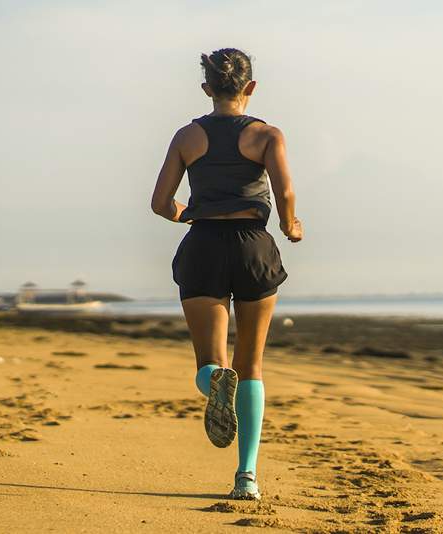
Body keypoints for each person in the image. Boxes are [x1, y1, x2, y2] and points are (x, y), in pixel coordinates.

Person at [151, 48, 302, 500]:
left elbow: (160, 203)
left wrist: (191, 215)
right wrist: (290, 225)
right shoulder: (267, 135)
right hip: (253, 246)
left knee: (210, 364)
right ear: (250, 87)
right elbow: (286, 191)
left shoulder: (186, 136)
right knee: (250, 365)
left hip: (203, 247)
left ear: (207, 89)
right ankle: (247, 477)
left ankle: (213, 382)